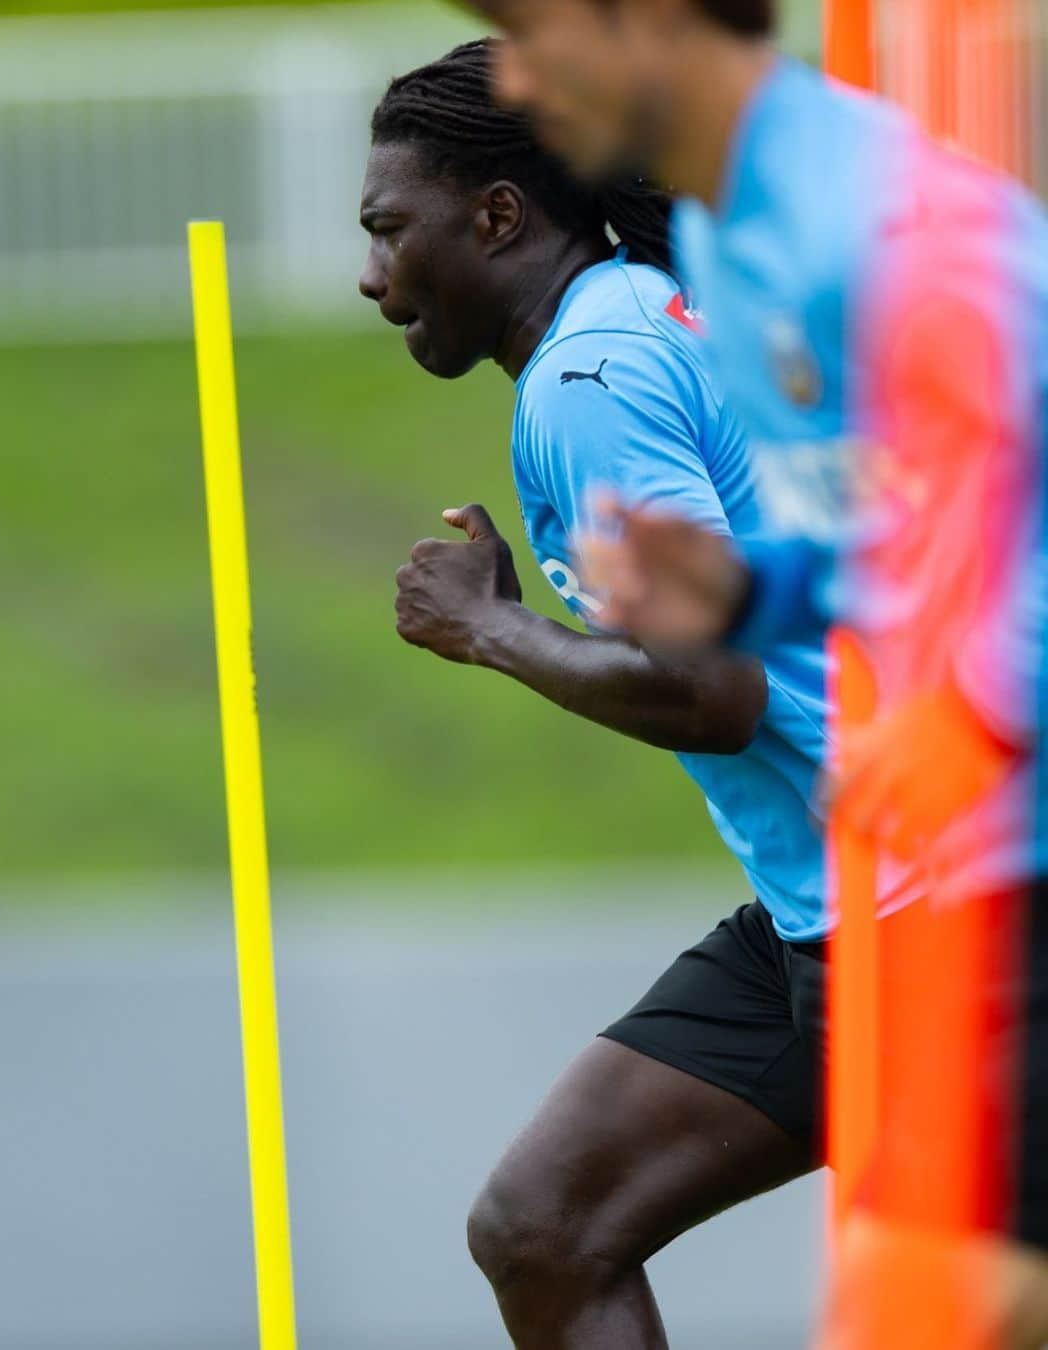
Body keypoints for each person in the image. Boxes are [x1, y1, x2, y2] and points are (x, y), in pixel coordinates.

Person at [461, 0, 1048, 1344]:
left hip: (996, 882)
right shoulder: (730, 239)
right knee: (552, 1224)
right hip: (902, 895)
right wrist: (750, 586)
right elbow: (905, 522)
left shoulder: (884, 222)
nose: (509, 72)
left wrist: (967, 711)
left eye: (528, 28)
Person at [358, 37, 879, 1350]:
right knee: (544, 1225)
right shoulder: (654, 308)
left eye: (388, 230)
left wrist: (486, 631)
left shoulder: (588, 382)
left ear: (495, 214)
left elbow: (715, 692)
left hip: (912, 905)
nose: (373, 278)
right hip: (841, 893)